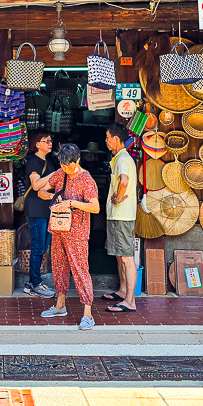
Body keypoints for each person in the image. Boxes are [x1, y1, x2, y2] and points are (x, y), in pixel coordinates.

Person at [40, 143, 101, 330]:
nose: (66, 168)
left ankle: (88, 314)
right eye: (63, 165)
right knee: (59, 267)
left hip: (77, 233)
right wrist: (54, 198)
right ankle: (60, 305)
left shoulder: (86, 179)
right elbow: (41, 191)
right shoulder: (61, 174)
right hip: (58, 229)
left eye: (69, 165)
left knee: (80, 269)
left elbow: (95, 207)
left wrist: (73, 203)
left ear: (78, 161)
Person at [102, 122, 138, 313]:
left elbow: (123, 181)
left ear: (116, 139)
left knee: (126, 257)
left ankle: (130, 301)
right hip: (120, 215)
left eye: (108, 138)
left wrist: (116, 198)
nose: (106, 141)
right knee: (120, 255)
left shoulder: (123, 158)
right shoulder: (121, 158)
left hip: (122, 215)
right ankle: (123, 291)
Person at [22, 129, 57, 298]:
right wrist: (55, 174)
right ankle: (36, 283)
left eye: (51, 141)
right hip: (36, 209)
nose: (50, 144)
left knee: (43, 247)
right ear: (37, 144)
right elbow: (35, 185)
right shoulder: (33, 162)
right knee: (38, 247)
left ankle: (31, 283)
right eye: (47, 141)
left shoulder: (48, 161)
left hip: (46, 208)